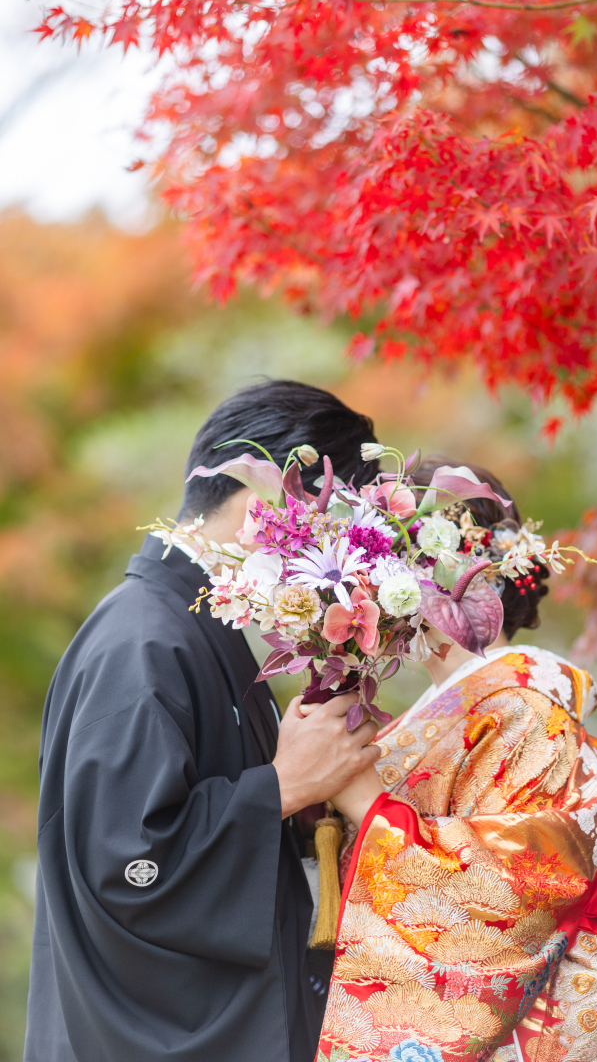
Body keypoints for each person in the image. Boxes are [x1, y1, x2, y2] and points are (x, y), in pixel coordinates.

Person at [23, 379, 384, 1062]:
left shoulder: (189, 628)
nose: (334, 563)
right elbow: (125, 863)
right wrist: (279, 789)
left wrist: (309, 796)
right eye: (332, 527)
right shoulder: (142, 642)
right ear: (268, 503)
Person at [317, 458, 597, 1062]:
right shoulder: (467, 706)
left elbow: (515, 897)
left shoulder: (524, 710)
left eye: (379, 561)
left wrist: (365, 808)